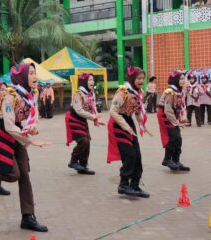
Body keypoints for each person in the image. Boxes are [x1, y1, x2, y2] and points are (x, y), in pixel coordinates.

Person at [0, 62, 50, 232]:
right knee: (13, 173)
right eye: (31, 73)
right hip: (3, 135)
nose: (34, 76)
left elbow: (31, 120)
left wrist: (33, 130)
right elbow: (9, 125)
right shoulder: (10, 96)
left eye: (34, 73)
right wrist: (30, 140)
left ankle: (28, 217)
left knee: (25, 176)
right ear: (23, 77)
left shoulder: (31, 96)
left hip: (18, 137)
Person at [107, 67, 152, 198]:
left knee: (137, 156)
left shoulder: (138, 92)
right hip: (118, 124)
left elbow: (136, 111)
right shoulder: (123, 92)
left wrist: (143, 125)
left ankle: (135, 185)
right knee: (130, 155)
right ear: (132, 78)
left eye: (143, 79)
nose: (141, 81)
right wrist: (126, 127)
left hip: (129, 123)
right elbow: (113, 112)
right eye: (138, 78)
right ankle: (123, 185)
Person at [66, 73, 103, 175]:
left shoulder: (91, 93)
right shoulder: (78, 93)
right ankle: (73, 161)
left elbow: (92, 107)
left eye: (93, 80)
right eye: (90, 80)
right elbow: (78, 110)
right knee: (83, 140)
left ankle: (83, 166)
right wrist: (92, 117)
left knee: (87, 142)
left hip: (82, 119)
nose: (92, 82)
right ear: (84, 82)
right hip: (73, 118)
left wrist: (96, 119)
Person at [157, 71, 190, 171]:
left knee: (178, 138)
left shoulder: (180, 91)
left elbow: (182, 105)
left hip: (172, 115)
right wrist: (176, 123)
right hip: (165, 115)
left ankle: (176, 160)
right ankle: (167, 159)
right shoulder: (169, 91)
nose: (184, 80)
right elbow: (167, 110)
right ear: (175, 80)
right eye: (181, 79)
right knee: (174, 137)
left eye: (184, 78)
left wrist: (183, 117)